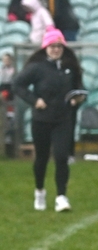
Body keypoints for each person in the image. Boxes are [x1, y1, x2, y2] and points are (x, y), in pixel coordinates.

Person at [13, 28, 84, 212]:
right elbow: (18, 85)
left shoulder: (70, 66)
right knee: (42, 159)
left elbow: (79, 87)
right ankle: (40, 191)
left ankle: (61, 196)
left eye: (59, 46)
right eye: (53, 46)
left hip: (63, 118)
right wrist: (34, 100)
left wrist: (78, 98)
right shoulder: (37, 68)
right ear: (46, 47)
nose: (56, 50)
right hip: (42, 119)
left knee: (61, 157)